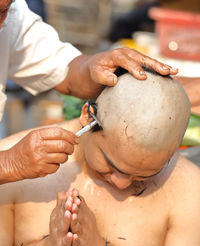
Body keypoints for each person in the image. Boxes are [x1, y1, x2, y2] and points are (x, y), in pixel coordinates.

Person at [0, 69, 200, 246]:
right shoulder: (12, 167)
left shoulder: (189, 190)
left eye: (145, 175)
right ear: (88, 116)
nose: (121, 183)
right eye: (112, 165)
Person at [0, 0, 178, 184]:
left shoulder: (10, 16)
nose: (122, 184)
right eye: (112, 165)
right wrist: (9, 164)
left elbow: (65, 70)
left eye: (3, 10)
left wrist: (92, 67)